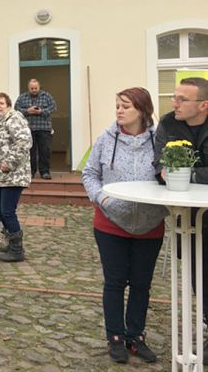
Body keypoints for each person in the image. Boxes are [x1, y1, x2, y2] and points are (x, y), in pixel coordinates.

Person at [83, 87, 167, 364]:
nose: (119, 110)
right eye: (118, 105)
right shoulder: (106, 140)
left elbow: (173, 176)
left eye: (126, 106)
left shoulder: (161, 141)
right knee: (115, 282)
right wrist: (101, 198)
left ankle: (136, 336)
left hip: (149, 224)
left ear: (142, 111)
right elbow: (90, 173)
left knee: (142, 283)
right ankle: (115, 337)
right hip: (110, 223)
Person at [153, 77, 208, 363]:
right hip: (186, 217)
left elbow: (175, 173)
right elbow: (160, 163)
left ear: (203, 105)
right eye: (174, 97)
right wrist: (170, 171)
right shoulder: (167, 123)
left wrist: (187, 174)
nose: (174, 103)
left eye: (182, 99)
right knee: (199, 274)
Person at [0, 92, 32, 261]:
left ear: (8, 106)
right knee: (0, 210)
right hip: (0, 176)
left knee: (7, 211)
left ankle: (17, 249)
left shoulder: (14, 119)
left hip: (14, 174)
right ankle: (10, 243)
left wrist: (11, 164)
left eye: (2, 103)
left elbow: (24, 141)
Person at [14, 78, 56, 179]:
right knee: (30, 152)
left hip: (44, 128)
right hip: (28, 129)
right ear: (28, 88)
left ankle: (45, 172)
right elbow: (16, 108)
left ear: (39, 87)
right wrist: (27, 111)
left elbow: (54, 107)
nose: (34, 90)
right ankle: (31, 172)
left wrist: (42, 111)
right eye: (32, 88)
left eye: (36, 88)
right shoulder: (22, 97)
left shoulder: (46, 96)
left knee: (44, 151)